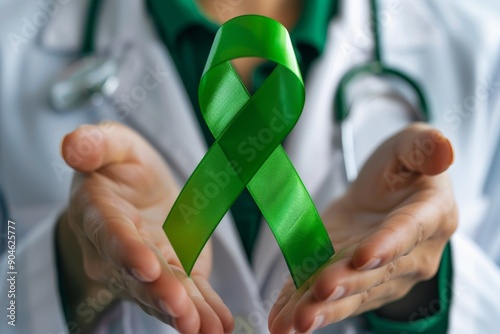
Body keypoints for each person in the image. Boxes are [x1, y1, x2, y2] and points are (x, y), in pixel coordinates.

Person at [1, 0, 499, 333]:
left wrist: (423, 289)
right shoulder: (12, 43)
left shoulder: (481, 48)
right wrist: (67, 267)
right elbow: (9, 307)